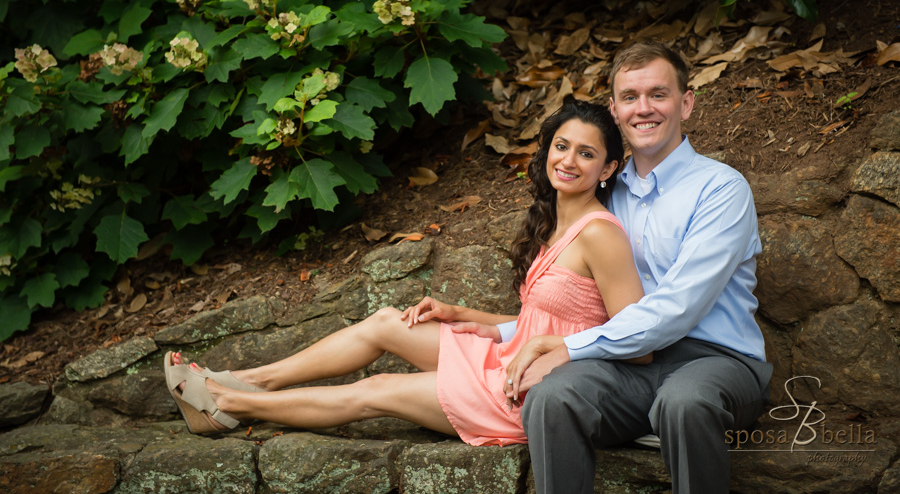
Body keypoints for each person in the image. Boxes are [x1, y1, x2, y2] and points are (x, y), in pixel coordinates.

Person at [164, 99, 650, 443]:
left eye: (586, 154)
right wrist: (462, 312)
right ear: (546, 149)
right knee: (385, 322)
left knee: (375, 391)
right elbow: (545, 320)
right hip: (510, 358)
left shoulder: (599, 234)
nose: (568, 160)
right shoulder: (553, 220)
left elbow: (637, 344)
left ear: (607, 168)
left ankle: (225, 406)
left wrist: (553, 359)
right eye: (561, 146)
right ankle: (251, 379)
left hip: (532, 393)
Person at [513, 40, 774, 493]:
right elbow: (569, 296)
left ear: (686, 103)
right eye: (630, 97)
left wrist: (569, 349)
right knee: (552, 396)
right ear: (614, 110)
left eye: (658, 94)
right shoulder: (605, 197)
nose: (643, 109)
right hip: (630, 364)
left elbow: (677, 308)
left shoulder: (721, 190)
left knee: (684, 401)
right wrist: (493, 330)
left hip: (718, 360)